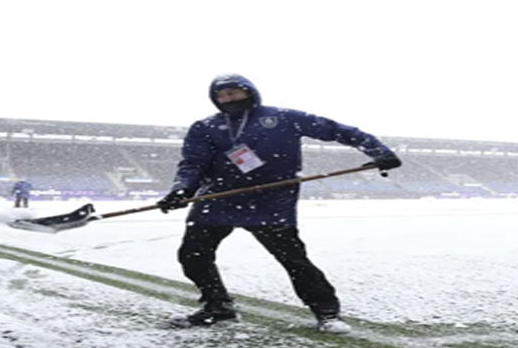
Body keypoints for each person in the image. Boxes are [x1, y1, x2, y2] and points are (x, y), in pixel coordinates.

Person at [157, 73, 402, 333]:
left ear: (249, 91)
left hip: (271, 201)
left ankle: (327, 313)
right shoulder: (204, 127)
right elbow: (193, 163)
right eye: (222, 95)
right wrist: (181, 190)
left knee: (294, 260)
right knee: (192, 256)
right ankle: (218, 308)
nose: (228, 98)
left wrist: (379, 152)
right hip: (218, 199)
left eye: (234, 92)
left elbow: (337, 130)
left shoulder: (283, 117)